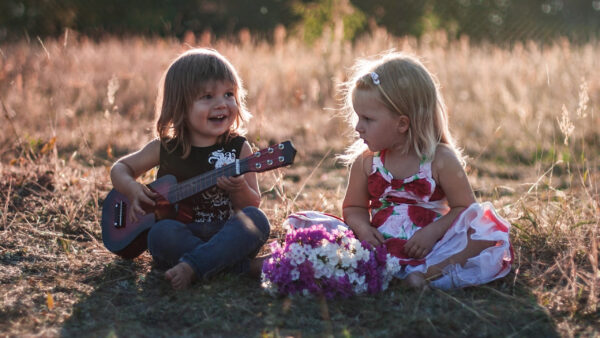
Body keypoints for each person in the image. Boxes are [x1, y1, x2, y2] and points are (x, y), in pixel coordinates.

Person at [338, 52, 512, 289]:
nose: (358, 127)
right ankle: (386, 272)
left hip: (432, 246)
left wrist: (432, 232)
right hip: (379, 246)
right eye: (358, 117)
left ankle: (426, 275)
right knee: (324, 234)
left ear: (402, 123)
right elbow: (353, 207)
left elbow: (466, 210)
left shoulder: (440, 160)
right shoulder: (367, 162)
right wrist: (363, 229)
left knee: (485, 234)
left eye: (367, 119)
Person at [110, 48, 270, 290]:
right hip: (181, 232)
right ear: (180, 106)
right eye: (207, 97)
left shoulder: (238, 148)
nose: (222, 104)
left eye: (229, 94)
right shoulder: (165, 147)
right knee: (159, 234)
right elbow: (120, 168)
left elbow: (251, 205)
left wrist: (238, 189)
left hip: (225, 233)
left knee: (257, 220)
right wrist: (132, 190)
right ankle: (241, 268)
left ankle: (193, 266)